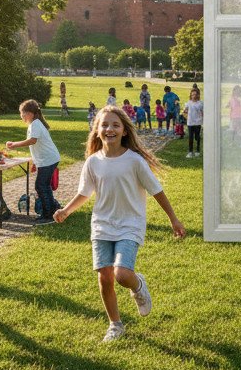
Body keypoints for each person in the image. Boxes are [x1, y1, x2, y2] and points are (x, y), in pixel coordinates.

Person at [54, 105, 186, 341]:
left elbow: (156, 190)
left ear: (124, 131)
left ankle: (138, 285)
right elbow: (85, 193)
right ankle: (115, 325)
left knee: (122, 274)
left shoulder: (134, 161)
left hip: (130, 224)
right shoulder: (93, 162)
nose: (110, 129)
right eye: (104, 125)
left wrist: (173, 219)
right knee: (105, 277)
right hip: (101, 225)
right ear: (97, 130)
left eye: (115, 125)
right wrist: (66, 210)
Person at [6, 100, 61, 222]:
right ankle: (52, 210)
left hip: (48, 159)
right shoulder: (35, 123)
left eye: (22, 113)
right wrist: (35, 162)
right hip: (48, 159)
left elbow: (32, 141)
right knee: (44, 185)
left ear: (29, 113)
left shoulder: (35, 124)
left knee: (40, 185)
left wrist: (14, 144)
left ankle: (47, 215)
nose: (21, 116)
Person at [185, 87, 204, 158]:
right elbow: (185, 111)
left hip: (197, 122)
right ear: (191, 95)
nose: (194, 96)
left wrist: (204, 120)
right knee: (190, 137)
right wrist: (185, 111)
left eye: (195, 94)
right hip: (190, 122)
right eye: (192, 94)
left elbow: (203, 112)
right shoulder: (188, 103)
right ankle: (190, 152)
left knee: (197, 137)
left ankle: (197, 151)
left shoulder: (200, 103)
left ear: (198, 95)